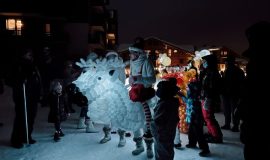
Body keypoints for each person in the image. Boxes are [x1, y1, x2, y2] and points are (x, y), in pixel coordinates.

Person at [238, 21, 270, 160]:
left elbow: (253, 93)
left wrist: (243, 107)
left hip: (257, 123)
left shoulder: (258, 64)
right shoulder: (255, 62)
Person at [128, 37, 156, 158]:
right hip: (134, 95)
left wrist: (140, 79)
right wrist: (130, 80)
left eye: (132, 53)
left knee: (146, 122)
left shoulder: (147, 62)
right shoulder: (132, 63)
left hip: (145, 95)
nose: (130, 55)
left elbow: (152, 79)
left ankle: (149, 146)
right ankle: (139, 146)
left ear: (138, 53)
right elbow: (131, 76)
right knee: (135, 121)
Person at [10, 47, 42, 148]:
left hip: (33, 95)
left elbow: (37, 78)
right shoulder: (19, 65)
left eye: (31, 54)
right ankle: (16, 139)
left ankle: (26, 135)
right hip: (23, 96)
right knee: (21, 117)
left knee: (31, 117)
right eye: (28, 54)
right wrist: (20, 80)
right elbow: (12, 79)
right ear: (23, 55)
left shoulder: (33, 64)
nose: (30, 56)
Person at [185, 60, 210, 157]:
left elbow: (192, 96)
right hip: (192, 107)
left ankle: (205, 148)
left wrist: (184, 94)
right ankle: (192, 142)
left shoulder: (195, 84)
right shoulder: (191, 83)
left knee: (198, 128)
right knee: (192, 126)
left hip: (196, 107)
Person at [151, 78, 180, 160]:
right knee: (168, 151)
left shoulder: (164, 104)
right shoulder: (172, 102)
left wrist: (151, 128)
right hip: (169, 132)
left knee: (162, 152)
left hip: (162, 134)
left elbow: (157, 122)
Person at [200, 54, 223, 143]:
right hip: (206, 97)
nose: (204, 63)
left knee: (208, 117)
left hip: (209, 98)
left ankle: (216, 136)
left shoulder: (213, 73)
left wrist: (207, 99)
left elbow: (211, 88)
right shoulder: (208, 72)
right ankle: (212, 133)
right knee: (208, 117)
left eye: (205, 62)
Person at [221, 55, 245, 132]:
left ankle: (232, 125)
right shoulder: (235, 71)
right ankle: (231, 124)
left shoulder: (232, 71)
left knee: (231, 110)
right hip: (231, 93)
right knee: (230, 110)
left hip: (232, 93)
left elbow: (241, 83)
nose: (226, 63)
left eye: (227, 62)